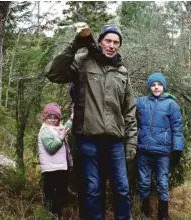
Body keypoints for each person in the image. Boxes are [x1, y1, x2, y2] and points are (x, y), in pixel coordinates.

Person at [44, 23, 137, 220]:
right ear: (100, 41)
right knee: (92, 191)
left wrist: (131, 142)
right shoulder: (83, 62)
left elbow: (129, 110)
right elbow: (53, 73)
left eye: (116, 42)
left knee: (121, 189)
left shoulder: (122, 72)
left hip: (115, 142)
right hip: (89, 141)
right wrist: (75, 44)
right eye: (108, 41)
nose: (112, 45)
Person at [135, 73, 184, 220]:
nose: (156, 87)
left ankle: (163, 215)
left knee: (162, 183)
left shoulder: (171, 104)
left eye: (159, 84)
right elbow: (123, 101)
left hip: (162, 152)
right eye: (153, 85)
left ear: (163, 86)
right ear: (149, 87)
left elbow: (177, 128)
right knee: (144, 182)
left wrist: (177, 149)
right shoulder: (142, 102)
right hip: (144, 150)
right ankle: (145, 213)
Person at [37, 103, 73, 219]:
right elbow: (51, 148)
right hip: (50, 170)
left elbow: (66, 127)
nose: (52, 120)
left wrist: (72, 116)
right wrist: (61, 138)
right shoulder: (45, 131)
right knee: (51, 196)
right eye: (50, 117)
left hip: (61, 168)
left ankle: (57, 215)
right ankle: (51, 216)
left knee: (61, 193)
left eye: (55, 117)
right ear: (45, 118)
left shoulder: (58, 127)